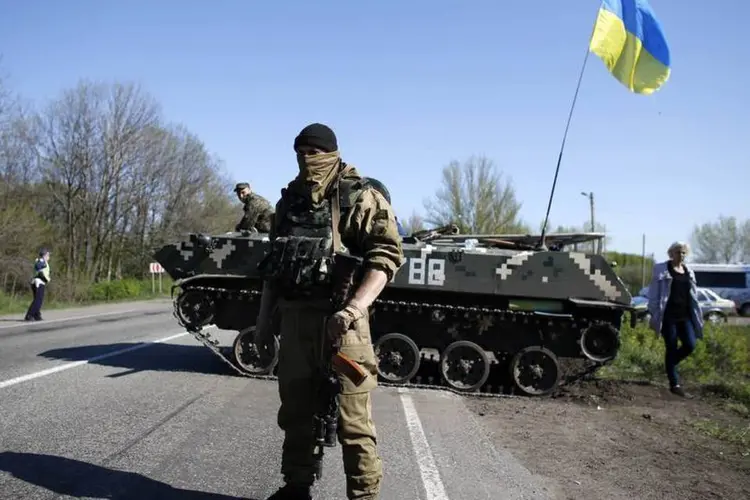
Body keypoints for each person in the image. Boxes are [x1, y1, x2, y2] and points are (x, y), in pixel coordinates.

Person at [255, 123, 404, 500]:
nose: (307, 160)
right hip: (296, 321)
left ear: (332, 153)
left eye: (314, 153)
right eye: (300, 152)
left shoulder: (360, 195)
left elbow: (386, 257)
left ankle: (364, 496)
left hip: (344, 327)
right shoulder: (289, 201)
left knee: (354, 423)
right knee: (296, 413)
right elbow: (274, 266)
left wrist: (354, 308)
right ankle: (296, 486)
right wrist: (262, 322)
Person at [647, 241, 703, 397]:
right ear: (671, 253)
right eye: (678, 252)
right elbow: (653, 293)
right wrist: (653, 311)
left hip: (685, 316)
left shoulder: (689, 272)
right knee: (671, 347)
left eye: (684, 252)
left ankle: (670, 365)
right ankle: (675, 384)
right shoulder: (661, 269)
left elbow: (693, 296)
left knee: (690, 345)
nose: (682, 255)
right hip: (668, 316)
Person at [25, 248, 51, 321]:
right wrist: (42, 264)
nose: (49, 257)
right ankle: (29, 315)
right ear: (44, 255)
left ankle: (37, 315)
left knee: (38, 300)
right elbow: (38, 267)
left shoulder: (45, 262)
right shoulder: (40, 261)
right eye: (48, 255)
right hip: (38, 282)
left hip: (41, 282)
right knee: (38, 300)